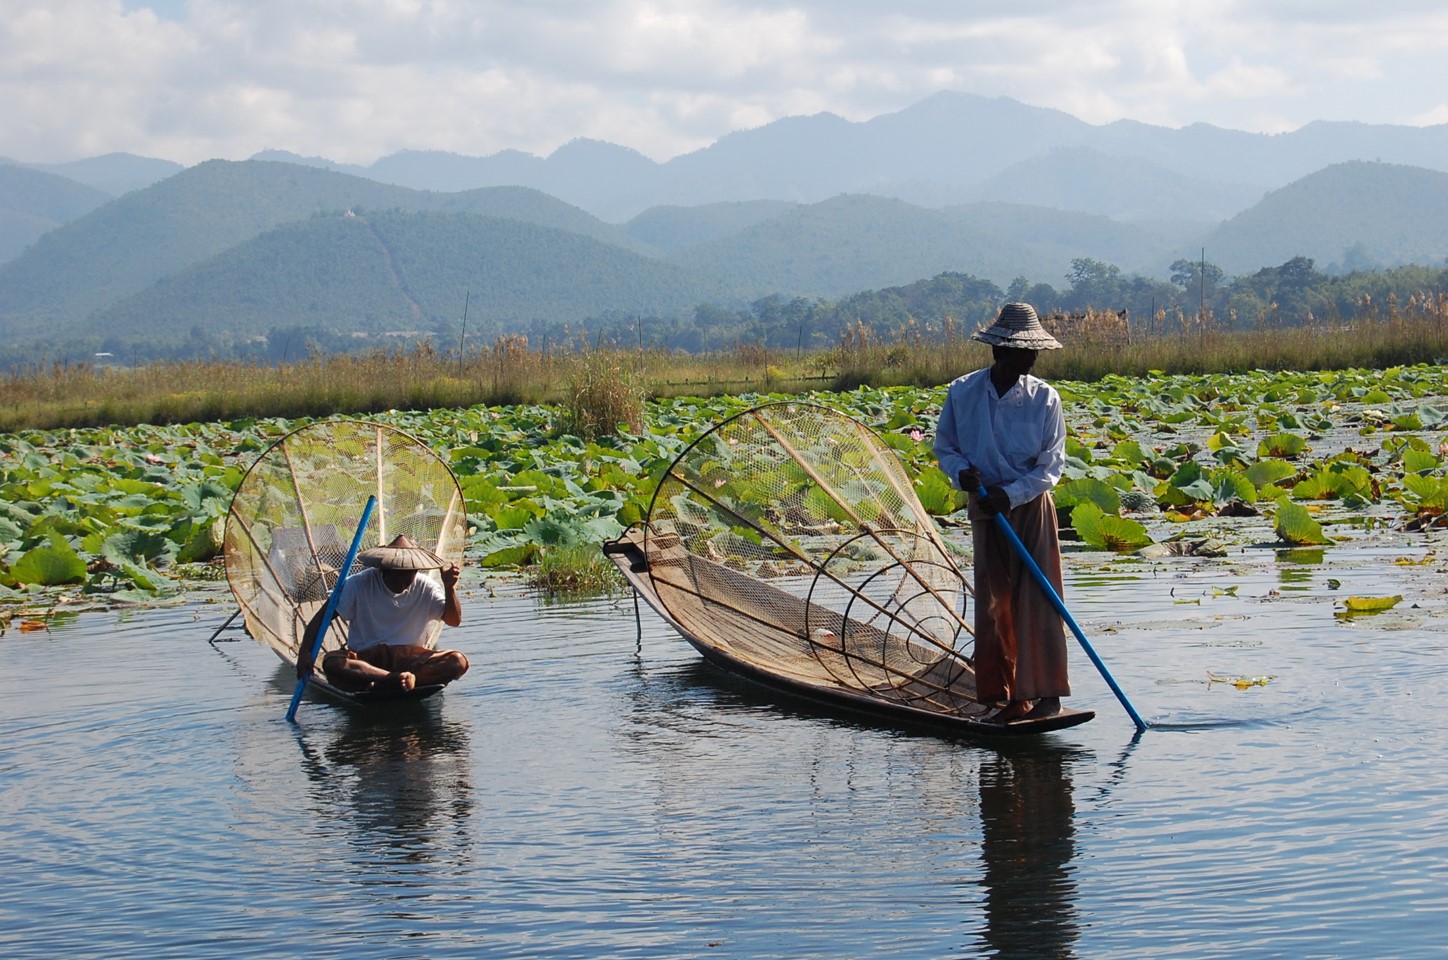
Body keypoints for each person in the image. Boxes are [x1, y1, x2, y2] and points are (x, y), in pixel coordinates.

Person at [933, 302, 1070, 723]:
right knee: (995, 600)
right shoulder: (963, 392)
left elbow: (1051, 465)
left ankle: (1045, 693)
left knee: (1040, 598)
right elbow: (946, 448)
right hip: (985, 506)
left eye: (1033, 353)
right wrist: (963, 475)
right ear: (999, 353)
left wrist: (1010, 496)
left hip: (1028, 506)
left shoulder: (1044, 398)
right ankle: (1008, 693)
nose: (1030, 359)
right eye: (1022, 352)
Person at [299, 534, 469, 693]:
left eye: (407, 577)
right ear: (383, 570)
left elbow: (454, 620)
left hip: (411, 659)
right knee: (332, 664)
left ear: (416, 571)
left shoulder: (426, 586)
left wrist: (449, 588)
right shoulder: (357, 584)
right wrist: (304, 654)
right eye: (396, 576)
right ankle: (391, 679)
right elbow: (321, 619)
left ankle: (406, 681)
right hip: (366, 659)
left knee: (457, 661)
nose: (401, 583)